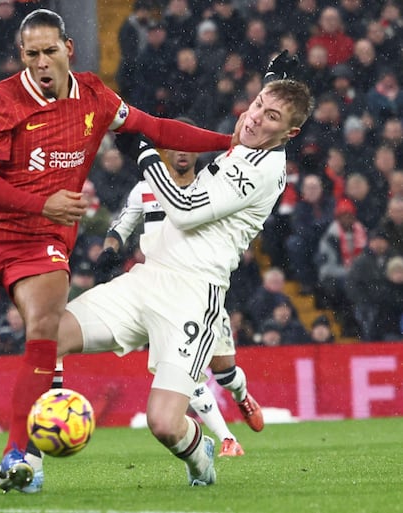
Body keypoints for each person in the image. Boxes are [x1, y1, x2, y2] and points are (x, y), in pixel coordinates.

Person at [0, 8, 233, 487]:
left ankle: (15, 456)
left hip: (42, 243)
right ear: (21, 56)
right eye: (33, 54)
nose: (43, 62)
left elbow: (157, 128)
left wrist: (231, 142)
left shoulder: (94, 97)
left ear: (68, 49)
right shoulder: (2, 100)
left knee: (44, 329)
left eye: (51, 51)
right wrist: (41, 201)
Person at [53, 70, 313, 486]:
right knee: (48, 336)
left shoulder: (261, 169)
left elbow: (186, 211)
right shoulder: (247, 146)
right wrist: (275, 79)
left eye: (272, 117)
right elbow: (237, 129)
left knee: (164, 424)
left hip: (193, 296)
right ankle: (25, 460)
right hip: (147, 278)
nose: (255, 117)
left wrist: (146, 153)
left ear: (290, 132)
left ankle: (200, 455)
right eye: (259, 103)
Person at [90, 117, 255, 458]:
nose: (182, 153)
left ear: (197, 151)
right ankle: (227, 439)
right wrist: (109, 251)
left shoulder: (212, 187)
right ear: (163, 151)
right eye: (175, 146)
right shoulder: (143, 189)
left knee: (225, 370)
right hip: (161, 293)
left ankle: (242, 396)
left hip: (201, 289)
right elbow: (121, 227)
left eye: (188, 146)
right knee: (178, 368)